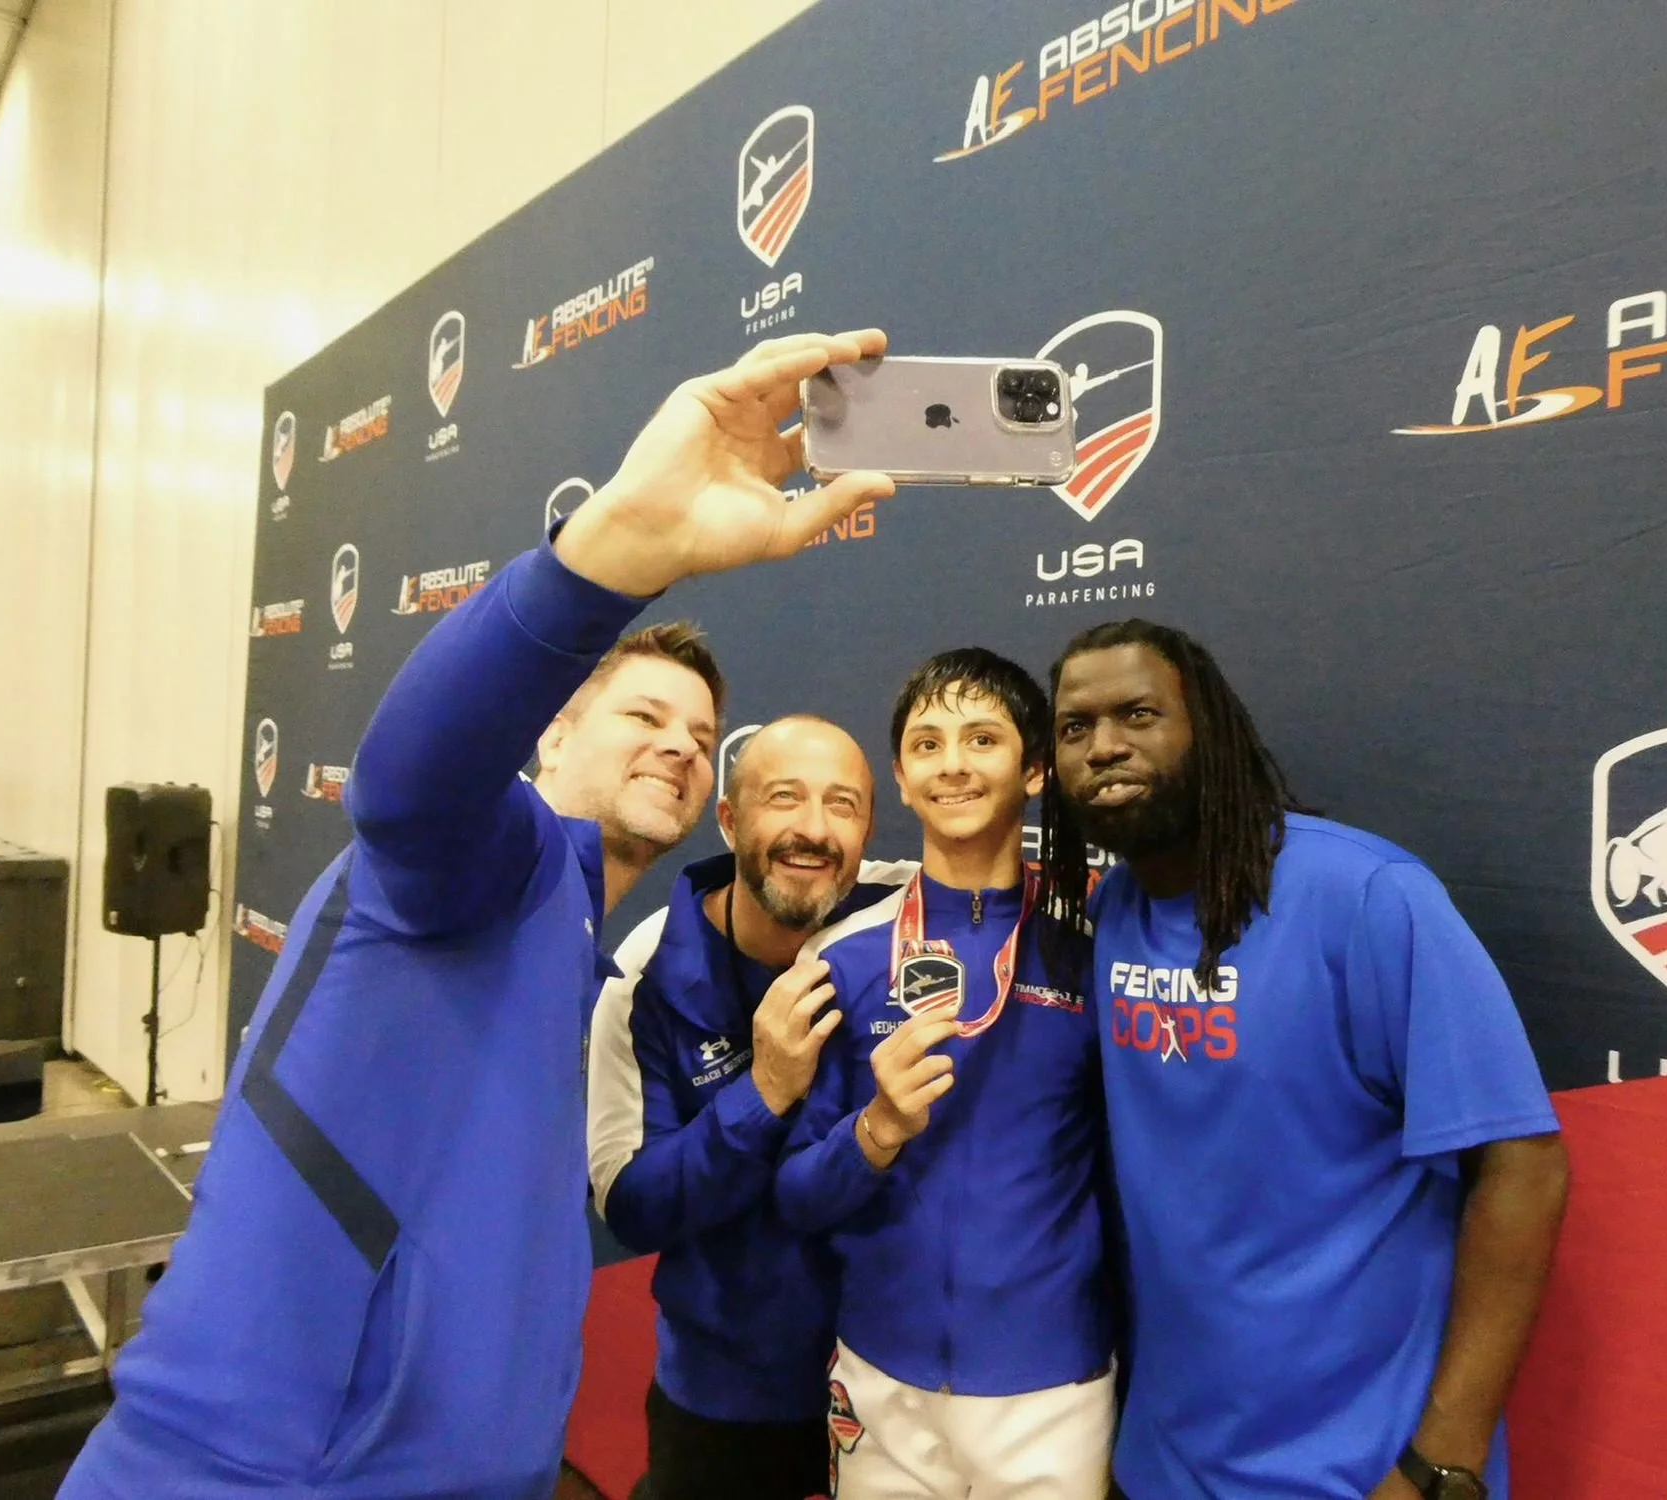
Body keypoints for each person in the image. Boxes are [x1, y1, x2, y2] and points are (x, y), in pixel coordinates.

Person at [58, 330, 896, 1500]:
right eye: (643, 716)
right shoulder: (492, 860)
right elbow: (406, 782)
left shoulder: (572, 942)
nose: (678, 746)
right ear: (551, 731)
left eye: (702, 740)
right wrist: (607, 560)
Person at [1040, 619, 1571, 1500]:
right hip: (1164, 1461)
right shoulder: (1114, 910)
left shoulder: (1364, 896)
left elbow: (1525, 1167)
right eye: (1073, 727)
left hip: (1358, 1470)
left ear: (1207, 730)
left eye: (1138, 714)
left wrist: (1445, 1460)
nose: (1103, 748)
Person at [776, 649, 1113, 1500]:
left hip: (1052, 1386)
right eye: (927, 744)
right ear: (901, 775)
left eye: (982, 739)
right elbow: (798, 1199)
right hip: (881, 1377)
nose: (953, 763)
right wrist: (875, 1131)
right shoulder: (844, 962)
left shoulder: (1095, 956)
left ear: (1035, 768)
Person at [587, 716, 915, 1500]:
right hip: (726, 1397)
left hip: (893, 1385)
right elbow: (631, 1208)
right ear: (731, 819)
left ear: (868, 829)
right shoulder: (646, 972)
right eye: (783, 799)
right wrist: (762, 1093)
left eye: (842, 805)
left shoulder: (914, 914)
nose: (813, 829)